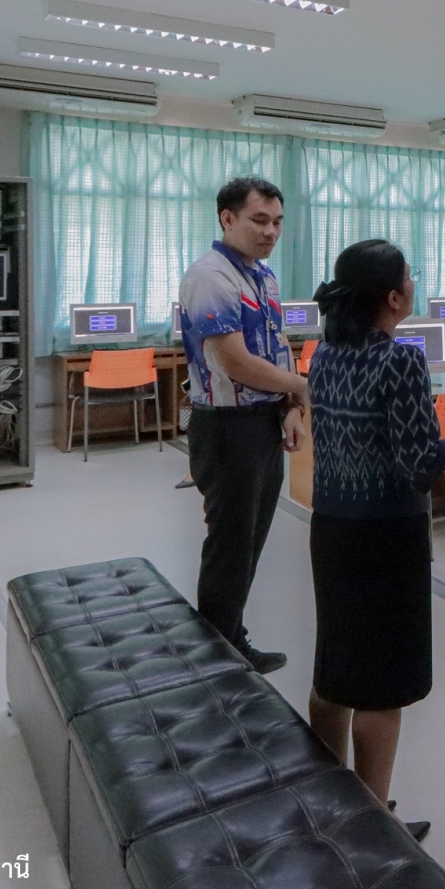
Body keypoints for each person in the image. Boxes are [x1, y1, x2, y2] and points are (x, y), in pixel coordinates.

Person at [304, 239, 445, 842]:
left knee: (335, 669)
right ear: (393, 297)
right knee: (382, 688)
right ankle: (373, 828)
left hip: (332, 528)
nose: (414, 283)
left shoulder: (323, 355)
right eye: (409, 277)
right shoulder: (401, 361)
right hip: (386, 537)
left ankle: (332, 802)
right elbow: (421, 465)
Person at [178, 176, 308, 675]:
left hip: (262, 421)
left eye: (277, 222)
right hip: (227, 428)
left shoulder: (263, 278)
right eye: (259, 220)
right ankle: (218, 657)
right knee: (230, 546)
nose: (271, 231)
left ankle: (230, 638)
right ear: (227, 218)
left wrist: (291, 405)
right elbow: (233, 361)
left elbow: (278, 347)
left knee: (250, 541)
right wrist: (305, 386)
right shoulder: (211, 277)